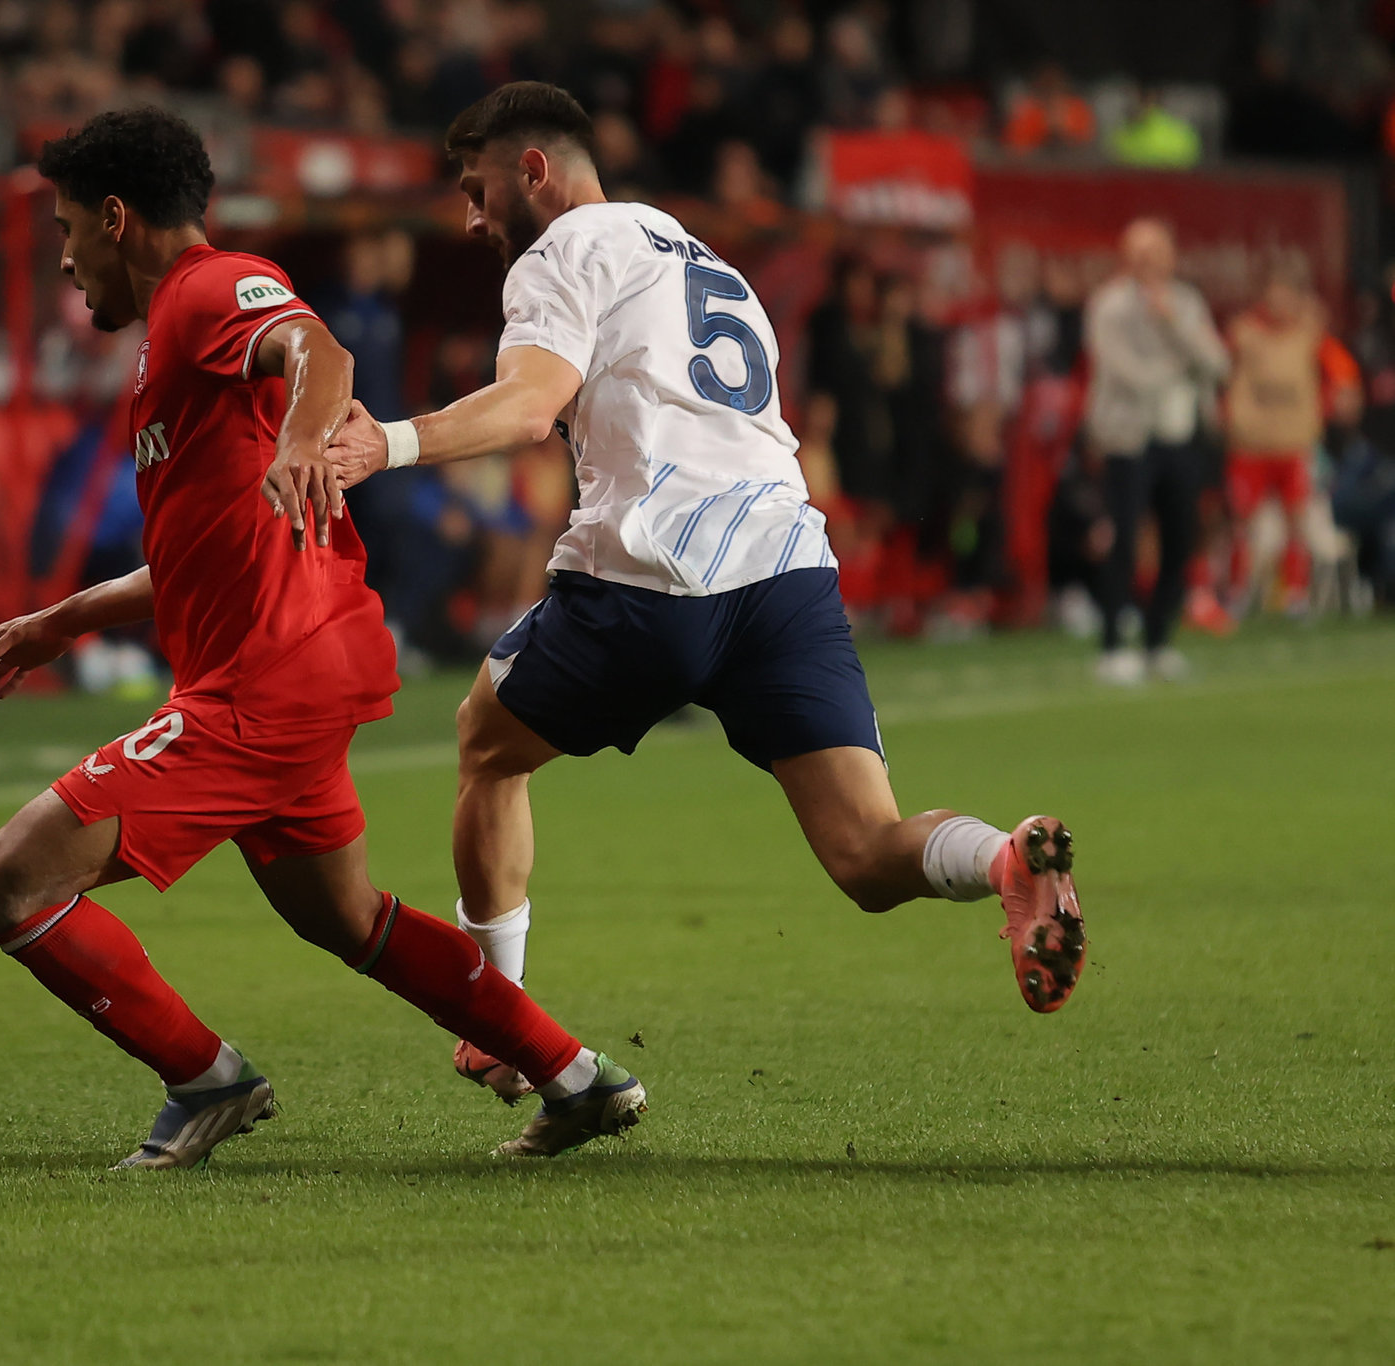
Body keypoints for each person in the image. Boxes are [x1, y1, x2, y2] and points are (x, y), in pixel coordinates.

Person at [321, 83, 1087, 1104]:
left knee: (484, 743)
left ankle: (498, 1021)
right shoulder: (701, 257)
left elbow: (530, 402)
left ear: (532, 169)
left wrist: (391, 441)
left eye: (476, 187)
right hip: (786, 570)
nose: (472, 215)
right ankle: (1005, 861)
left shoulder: (563, 251)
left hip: (654, 573)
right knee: (864, 851)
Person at [0, 106, 644, 1169]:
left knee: (9, 879)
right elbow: (198, 555)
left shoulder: (204, 289)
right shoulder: (168, 346)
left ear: (118, 218)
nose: (66, 256)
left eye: (67, 227)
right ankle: (577, 1073)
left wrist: (306, 434)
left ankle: (205, 1076)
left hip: (260, 684)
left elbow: (315, 346)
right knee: (349, 919)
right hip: (293, 667)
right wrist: (62, 619)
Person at [1083, 218, 1229, 683]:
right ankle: (1111, 645)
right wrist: (1183, 363)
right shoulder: (1109, 305)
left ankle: (1157, 641)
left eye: (1157, 252)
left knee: (1181, 538)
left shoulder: (1186, 302)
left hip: (1181, 435)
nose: (1149, 262)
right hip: (1130, 437)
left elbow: (1218, 363)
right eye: (1140, 253)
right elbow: (1126, 373)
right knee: (1124, 539)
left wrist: (1176, 327)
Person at [1222, 257, 1356, 617]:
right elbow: (1220, 373)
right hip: (1251, 444)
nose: (1280, 301)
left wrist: (1341, 393)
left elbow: (1343, 372)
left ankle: (1295, 595)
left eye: (1288, 294)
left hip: (1294, 444)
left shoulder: (1311, 334)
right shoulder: (1243, 332)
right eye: (1274, 292)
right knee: (1242, 522)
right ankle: (1237, 593)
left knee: (1297, 520)